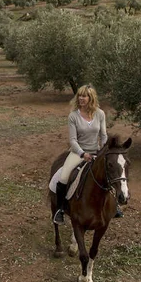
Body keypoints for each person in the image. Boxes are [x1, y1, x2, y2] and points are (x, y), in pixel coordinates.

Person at [51, 84, 107, 225]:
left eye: (84, 96)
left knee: (111, 174)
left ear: (91, 98)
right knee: (64, 177)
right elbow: (73, 140)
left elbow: (104, 135)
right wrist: (83, 154)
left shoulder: (100, 114)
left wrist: (103, 151)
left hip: (96, 151)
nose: (81, 98)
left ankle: (115, 206)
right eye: (80, 95)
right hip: (78, 152)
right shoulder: (73, 116)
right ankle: (60, 209)